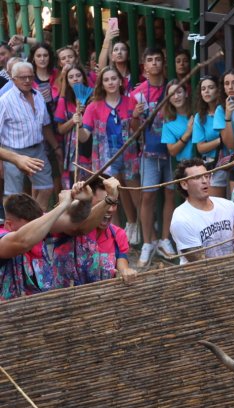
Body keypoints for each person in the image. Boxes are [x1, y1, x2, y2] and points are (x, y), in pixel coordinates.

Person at [0, 181, 93, 300]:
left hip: (42, 311)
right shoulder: (3, 239)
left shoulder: (40, 226)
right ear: (9, 225)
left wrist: (85, 201)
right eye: (31, 226)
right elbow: (23, 241)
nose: (39, 230)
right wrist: (62, 205)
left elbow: (73, 220)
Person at [79, 66, 142, 238]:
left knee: (137, 195)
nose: (110, 82)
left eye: (114, 78)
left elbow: (137, 132)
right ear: (101, 84)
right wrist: (77, 125)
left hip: (129, 156)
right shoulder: (93, 107)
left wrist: (135, 116)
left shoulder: (130, 101)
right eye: (106, 80)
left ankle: (142, 234)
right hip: (105, 159)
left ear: (120, 81)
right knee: (110, 198)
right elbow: (84, 137)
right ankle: (115, 236)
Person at [131, 48, 177, 266]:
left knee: (170, 194)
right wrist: (135, 116)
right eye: (150, 60)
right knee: (147, 197)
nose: (155, 63)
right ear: (144, 65)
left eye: (158, 58)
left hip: (172, 151)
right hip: (148, 152)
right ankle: (148, 242)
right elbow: (132, 130)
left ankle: (165, 239)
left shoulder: (173, 88)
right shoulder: (138, 93)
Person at [51, 176, 136, 285]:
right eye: (103, 203)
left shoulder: (118, 234)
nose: (109, 209)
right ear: (87, 203)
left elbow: (123, 265)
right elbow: (78, 228)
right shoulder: (71, 225)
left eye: (113, 203)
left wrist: (127, 272)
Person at [0, 61, 60, 210]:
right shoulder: (4, 101)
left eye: (29, 76)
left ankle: (35, 222)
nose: (27, 80)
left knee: (46, 187)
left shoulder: (38, 95)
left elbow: (45, 125)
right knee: (13, 195)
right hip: (13, 151)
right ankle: (13, 229)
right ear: (13, 79)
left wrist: (56, 147)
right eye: (22, 77)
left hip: (37, 149)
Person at [169, 158, 234, 264]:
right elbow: (202, 264)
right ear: (184, 184)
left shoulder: (226, 205)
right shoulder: (181, 219)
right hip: (201, 278)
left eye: (207, 176)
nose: (205, 181)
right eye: (197, 177)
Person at [54, 63, 92, 190]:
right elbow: (60, 129)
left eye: (78, 75)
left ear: (84, 78)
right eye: (71, 77)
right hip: (73, 150)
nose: (75, 79)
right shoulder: (63, 102)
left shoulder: (93, 99)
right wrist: (73, 119)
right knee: (77, 187)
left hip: (93, 147)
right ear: (67, 81)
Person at [192, 75, 227, 198]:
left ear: (218, 90)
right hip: (214, 164)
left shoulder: (226, 110)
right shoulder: (200, 117)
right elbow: (200, 148)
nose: (206, 91)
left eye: (211, 87)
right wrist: (221, 140)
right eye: (203, 89)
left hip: (233, 161)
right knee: (216, 203)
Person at [162, 80, 195, 164]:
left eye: (179, 92)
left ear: (186, 93)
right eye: (172, 94)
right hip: (185, 165)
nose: (176, 96)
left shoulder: (196, 112)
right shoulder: (168, 123)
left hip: (205, 161)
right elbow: (172, 151)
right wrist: (187, 133)